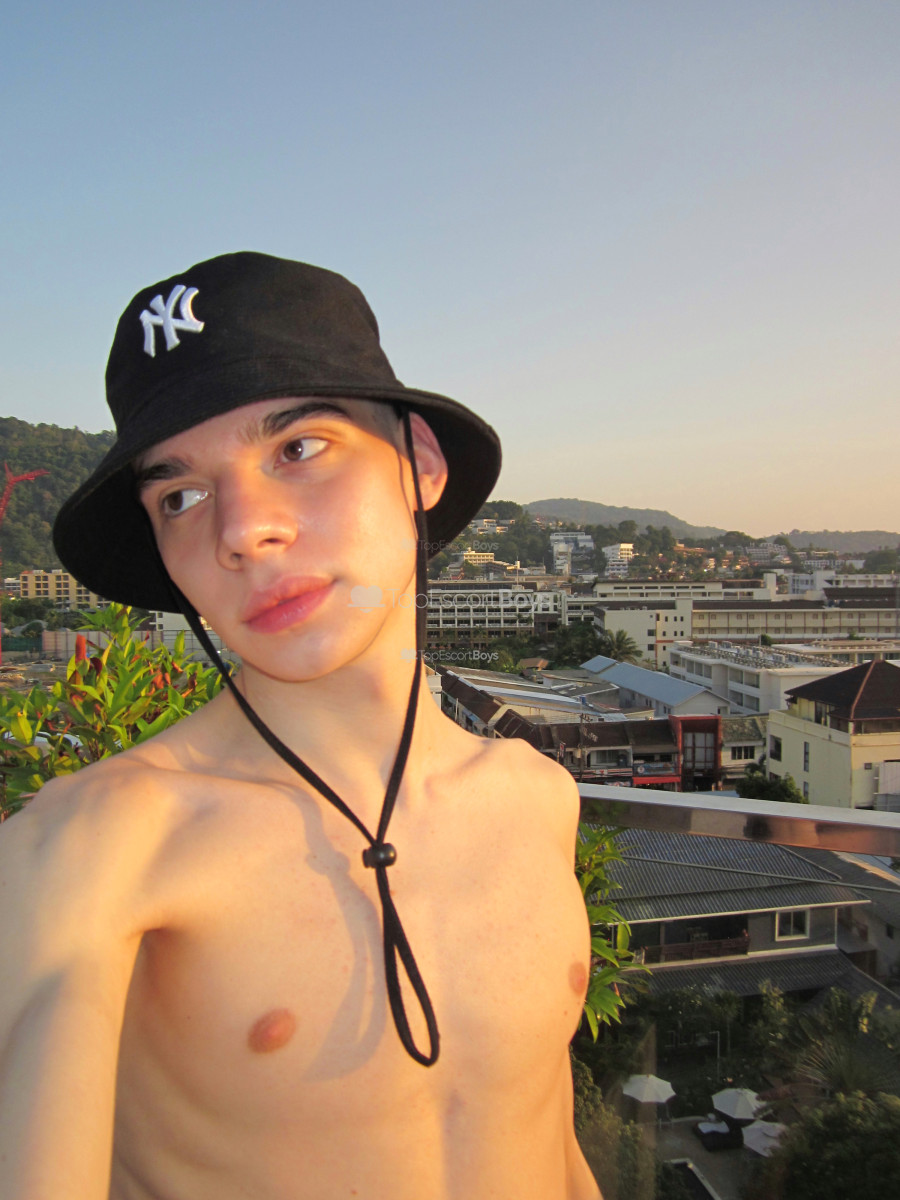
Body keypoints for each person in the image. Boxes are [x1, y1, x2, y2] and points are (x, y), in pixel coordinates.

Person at [0, 252, 601, 1199]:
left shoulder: (536, 797)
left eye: (297, 449)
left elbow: (549, 1146)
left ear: (420, 462)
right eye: (180, 496)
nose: (243, 530)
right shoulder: (91, 849)